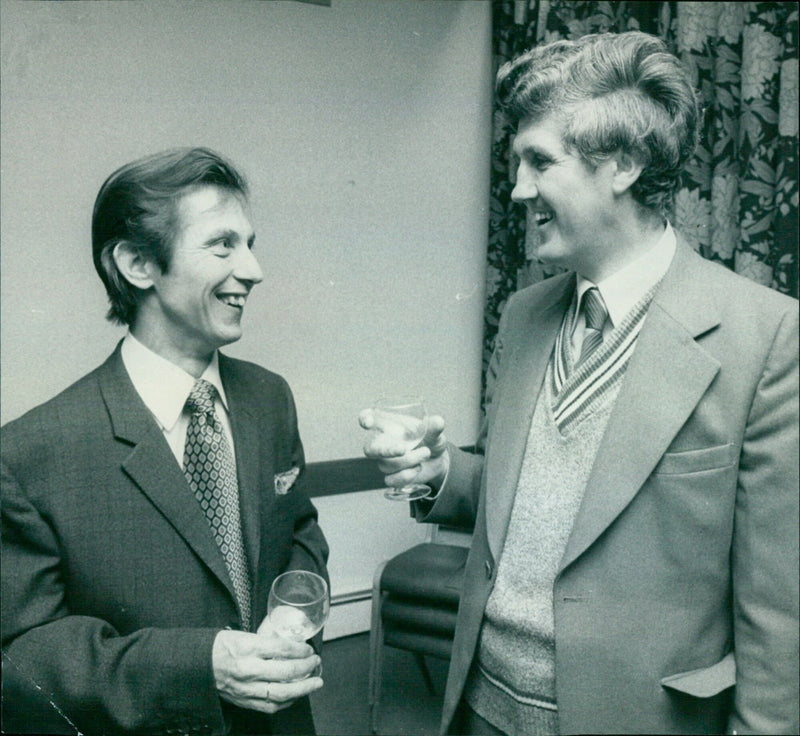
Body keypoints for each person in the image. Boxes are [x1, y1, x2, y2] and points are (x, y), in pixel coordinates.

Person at [361, 31, 798, 735]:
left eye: (538, 161)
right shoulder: (525, 313)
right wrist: (440, 473)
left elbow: (781, 616)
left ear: (622, 164)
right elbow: (537, 501)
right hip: (479, 705)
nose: (517, 189)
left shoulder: (767, 337)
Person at [2, 147, 329, 735]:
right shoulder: (30, 454)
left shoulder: (270, 399)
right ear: (137, 263)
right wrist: (198, 667)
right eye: (223, 244)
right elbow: (26, 655)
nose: (254, 270)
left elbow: (301, 533)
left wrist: (290, 620)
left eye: (250, 243)